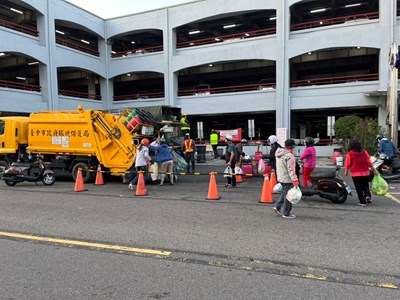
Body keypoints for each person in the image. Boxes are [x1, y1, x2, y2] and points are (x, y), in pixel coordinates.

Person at [345, 139, 378, 206]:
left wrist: (346, 171)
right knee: (365, 185)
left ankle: (362, 202)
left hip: (355, 174)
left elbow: (347, 163)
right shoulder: (364, 152)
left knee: (359, 188)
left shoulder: (350, 154)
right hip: (365, 172)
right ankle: (367, 196)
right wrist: (373, 169)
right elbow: (369, 162)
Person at [274, 138, 299, 219]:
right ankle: (286, 213)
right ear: (292, 147)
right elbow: (291, 169)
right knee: (289, 196)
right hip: (288, 179)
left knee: (284, 193)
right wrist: (295, 180)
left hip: (280, 177)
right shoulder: (290, 156)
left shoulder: (279, 153)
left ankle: (277, 206)